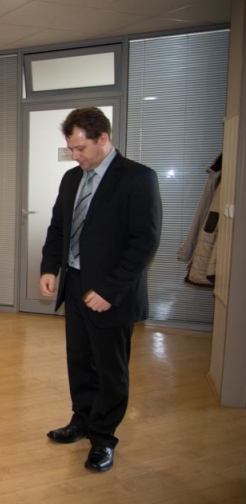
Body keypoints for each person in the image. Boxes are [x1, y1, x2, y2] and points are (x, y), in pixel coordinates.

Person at [39, 107, 161, 472]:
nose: (76, 156)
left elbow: (144, 242)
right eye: (72, 149)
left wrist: (109, 290)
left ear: (103, 138)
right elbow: (58, 227)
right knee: (79, 359)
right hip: (75, 284)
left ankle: (104, 438)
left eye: (81, 148)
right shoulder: (71, 179)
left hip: (112, 292)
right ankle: (82, 420)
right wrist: (50, 267)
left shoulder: (137, 178)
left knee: (110, 368)